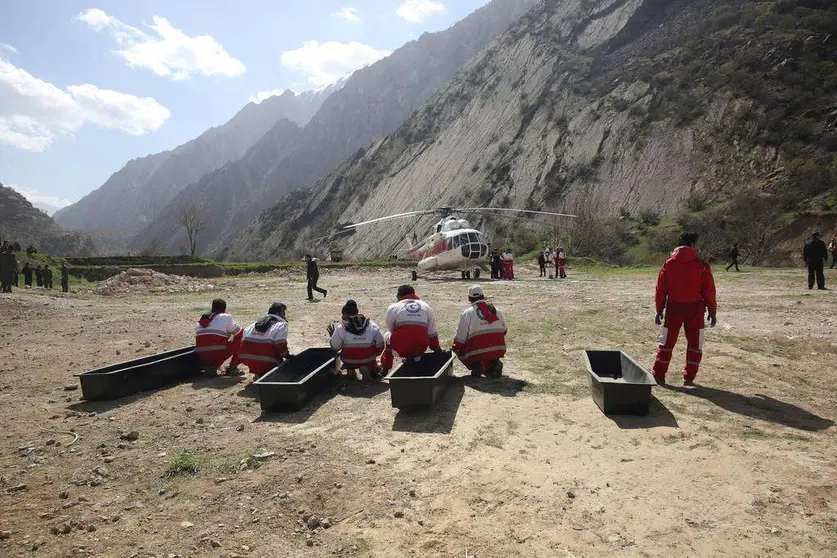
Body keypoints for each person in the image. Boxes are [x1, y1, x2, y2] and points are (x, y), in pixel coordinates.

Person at [652, 232, 717, 386]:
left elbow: (660, 289)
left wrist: (659, 309)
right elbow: (709, 290)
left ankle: (659, 374)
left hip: (674, 308)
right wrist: (712, 311)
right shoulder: (701, 264)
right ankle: (689, 377)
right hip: (695, 309)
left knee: (666, 342)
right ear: (693, 244)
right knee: (695, 343)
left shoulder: (669, 263)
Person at [381, 285, 442, 373]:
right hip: (420, 348)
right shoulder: (426, 306)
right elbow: (432, 333)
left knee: (388, 336)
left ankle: (385, 368)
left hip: (400, 349)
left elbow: (391, 328)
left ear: (398, 295)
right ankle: (416, 359)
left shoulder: (394, 307)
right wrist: (437, 349)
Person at [452, 285, 507, 378]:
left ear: (469, 298)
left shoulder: (467, 313)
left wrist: (455, 347)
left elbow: (460, 338)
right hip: (497, 349)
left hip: (477, 352)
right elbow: (504, 330)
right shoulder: (496, 310)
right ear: (483, 295)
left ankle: (476, 366)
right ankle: (493, 364)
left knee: (459, 348)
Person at [328, 300, 385, 380]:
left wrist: (333, 336)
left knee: (343, 349)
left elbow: (335, 347)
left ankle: (350, 369)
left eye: (342, 315)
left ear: (345, 314)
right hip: (368, 359)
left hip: (349, 360)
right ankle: (368, 368)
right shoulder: (371, 324)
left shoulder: (341, 327)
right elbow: (380, 344)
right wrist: (376, 353)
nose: (342, 317)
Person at [237, 303, 289, 379]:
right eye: (283, 313)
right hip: (267, 361)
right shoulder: (281, 325)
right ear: (278, 313)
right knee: (281, 361)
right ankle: (265, 374)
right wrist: (288, 356)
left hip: (246, 358)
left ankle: (258, 372)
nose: (284, 315)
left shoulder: (253, 325)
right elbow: (280, 345)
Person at [195, 298, 243, 375]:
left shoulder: (201, 320)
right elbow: (239, 333)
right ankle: (232, 368)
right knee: (242, 336)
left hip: (202, 356)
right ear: (224, 308)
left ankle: (211, 366)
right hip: (217, 354)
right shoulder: (225, 316)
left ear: (212, 308)